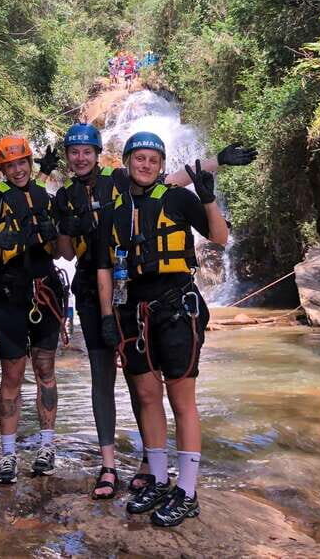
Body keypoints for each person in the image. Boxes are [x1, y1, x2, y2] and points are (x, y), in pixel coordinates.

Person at [51, 124, 256, 499]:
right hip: (116, 297)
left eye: (87, 150)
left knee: (165, 393)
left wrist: (216, 166)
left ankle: (170, 478)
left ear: (100, 154)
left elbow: (184, 191)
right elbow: (78, 258)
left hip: (164, 299)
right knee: (129, 385)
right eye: (73, 151)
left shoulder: (141, 187)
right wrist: (110, 317)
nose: (80, 157)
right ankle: (130, 470)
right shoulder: (76, 200)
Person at [97, 132, 227, 527]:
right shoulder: (113, 211)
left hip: (176, 308)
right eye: (139, 159)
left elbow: (220, 238)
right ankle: (157, 478)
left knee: (181, 399)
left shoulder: (178, 198)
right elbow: (104, 270)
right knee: (147, 395)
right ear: (127, 162)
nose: (146, 165)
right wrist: (107, 317)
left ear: (160, 164)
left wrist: (207, 197)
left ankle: (186, 492)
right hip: (133, 311)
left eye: (153, 160)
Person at [0, 136, 63, 485]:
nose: (17, 170)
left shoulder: (47, 196)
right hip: (9, 293)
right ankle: (8, 453)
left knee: (45, 368)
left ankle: (46, 447)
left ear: (30, 163)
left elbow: (61, 253)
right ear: (2, 168)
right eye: (10, 165)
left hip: (45, 290)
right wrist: (0, 243)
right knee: (12, 373)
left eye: (22, 163)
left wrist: (53, 232)